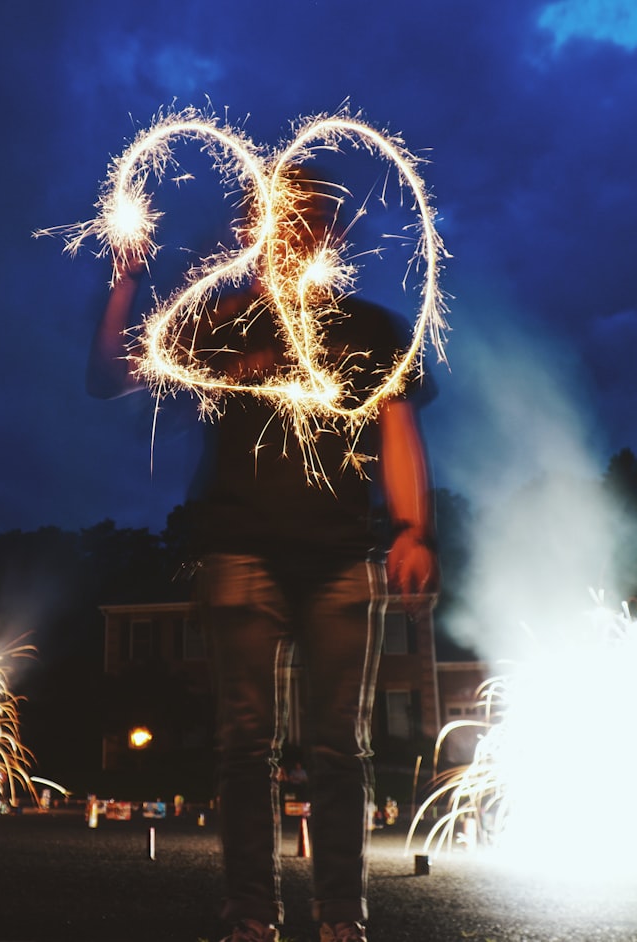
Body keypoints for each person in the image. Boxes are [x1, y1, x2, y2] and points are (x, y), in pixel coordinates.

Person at [88, 169, 438, 942]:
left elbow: (399, 431)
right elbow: (110, 375)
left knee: (340, 747)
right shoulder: (224, 322)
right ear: (260, 226)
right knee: (245, 746)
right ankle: (251, 915)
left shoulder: (373, 329)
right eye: (285, 215)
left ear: (333, 233)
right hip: (239, 551)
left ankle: (341, 918)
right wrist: (129, 279)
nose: (299, 228)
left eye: (315, 216)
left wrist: (413, 529)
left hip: (343, 557)